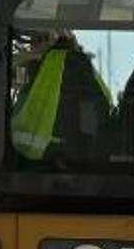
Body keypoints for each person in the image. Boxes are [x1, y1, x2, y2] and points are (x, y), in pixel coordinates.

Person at [10, 32, 112, 162]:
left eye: (38, 40)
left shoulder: (42, 69)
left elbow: (19, 111)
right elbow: (104, 111)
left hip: (38, 161)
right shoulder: (89, 72)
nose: (33, 46)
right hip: (87, 159)